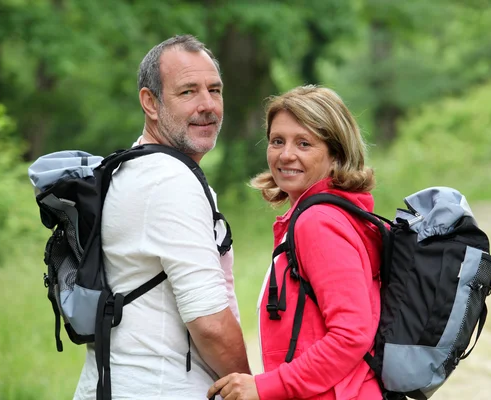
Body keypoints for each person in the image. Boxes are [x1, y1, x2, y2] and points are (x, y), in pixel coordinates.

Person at [74, 35, 250, 399]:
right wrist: (251, 387)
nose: (208, 105)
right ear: (150, 102)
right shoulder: (171, 182)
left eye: (214, 90)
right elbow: (211, 323)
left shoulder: (131, 167)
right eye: (188, 92)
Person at [208, 85, 382, 399]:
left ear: (335, 155)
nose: (286, 154)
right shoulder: (331, 213)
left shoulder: (318, 222)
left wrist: (265, 387)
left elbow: (351, 334)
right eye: (277, 141)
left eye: (304, 143)